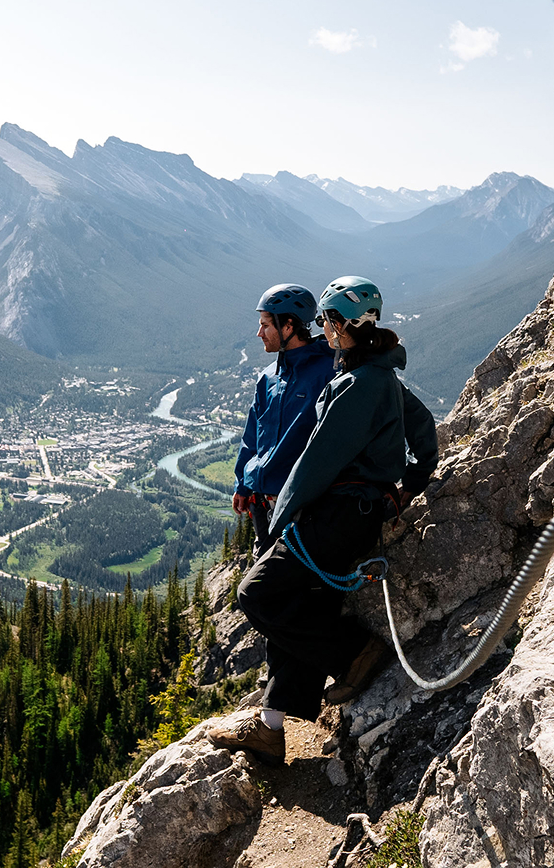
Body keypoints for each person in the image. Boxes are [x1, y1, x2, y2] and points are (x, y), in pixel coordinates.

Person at [208, 275, 438, 766]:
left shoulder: (349, 379)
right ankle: (275, 721)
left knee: (258, 594)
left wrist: (284, 514)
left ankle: (352, 654)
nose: (321, 330)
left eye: (267, 324)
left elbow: (315, 460)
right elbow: (419, 424)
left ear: (329, 325)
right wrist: (409, 483)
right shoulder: (359, 373)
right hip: (324, 508)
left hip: (323, 509)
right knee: (286, 602)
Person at [232, 283, 336, 554]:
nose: (259, 333)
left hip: (297, 505)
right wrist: (243, 486)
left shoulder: (328, 373)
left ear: (288, 326)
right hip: (262, 504)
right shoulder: (269, 377)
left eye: (265, 325)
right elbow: (253, 435)